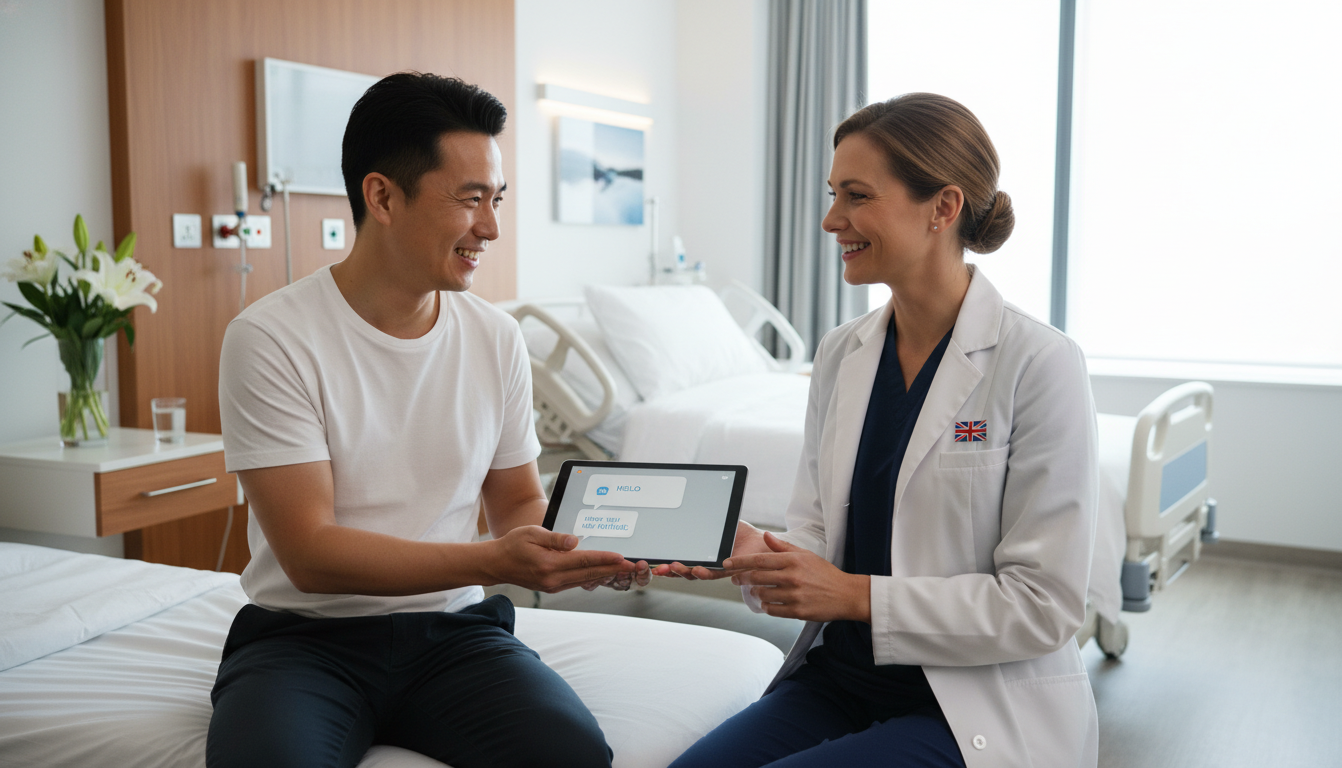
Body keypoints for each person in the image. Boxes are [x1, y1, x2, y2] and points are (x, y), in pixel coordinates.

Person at [206, 73, 648, 768]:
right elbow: (310, 554)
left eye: (496, 200)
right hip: (305, 639)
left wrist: (583, 548)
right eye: (471, 200)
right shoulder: (271, 337)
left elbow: (516, 502)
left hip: (451, 636)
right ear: (382, 196)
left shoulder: (496, 336)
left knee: (573, 755)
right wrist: (489, 560)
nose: (491, 228)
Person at [657, 93, 1099, 768]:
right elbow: (818, 533)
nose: (832, 219)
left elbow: (1043, 606)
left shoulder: (1037, 363)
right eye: (834, 194)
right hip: (842, 679)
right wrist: (756, 552)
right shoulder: (842, 352)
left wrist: (854, 595)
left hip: (970, 700)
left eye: (857, 196)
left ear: (943, 208)